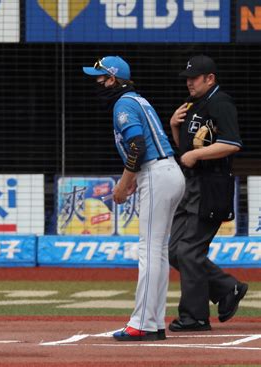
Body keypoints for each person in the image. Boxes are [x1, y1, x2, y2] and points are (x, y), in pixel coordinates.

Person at [83, 56, 185, 341]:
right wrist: (131, 179)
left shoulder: (123, 103)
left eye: (100, 77)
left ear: (113, 79)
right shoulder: (138, 100)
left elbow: (137, 146)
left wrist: (123, 184)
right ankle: (152, 322)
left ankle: (142, 322)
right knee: (158, 251)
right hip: (168, 172)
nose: (97, 82)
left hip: (156, 174)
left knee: (149, 250)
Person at [168, 55, 248, 332]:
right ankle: (228, 288)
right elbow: (184, 153)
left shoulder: (220, 102)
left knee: (189, 251)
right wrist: (174, 127)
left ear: (210, 78)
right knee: (175, 251)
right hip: (191, 184)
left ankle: (195, 317)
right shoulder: (194, 105)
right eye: (187, 77)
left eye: (194, 77)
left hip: (210, 185)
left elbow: (232, 143)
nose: (188, 82)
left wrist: (195, 154)